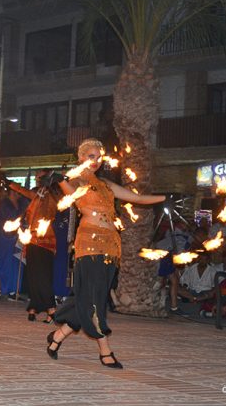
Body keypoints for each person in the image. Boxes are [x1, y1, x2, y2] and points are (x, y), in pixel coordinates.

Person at [46, 138, 166, 369]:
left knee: (90, 298)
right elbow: (71, 193)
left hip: (111, 247)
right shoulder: (76, 181)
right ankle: (105, 350)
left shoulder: (107, 185)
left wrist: (165, 198)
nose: (96, 161)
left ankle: (57, 337)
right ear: (81, 158)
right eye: (91, 156)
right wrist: (60, 180)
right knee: (94, 301)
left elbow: (138, 198)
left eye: (99, 157)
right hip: (89, 246)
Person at [8, 170, 61, 323]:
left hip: (45, 241)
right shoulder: (37, 195)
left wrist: (45, 192)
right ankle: (34, 307)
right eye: (37, 178)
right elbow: (25, 192)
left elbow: (49, 212)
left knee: (43, 276)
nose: (38, 180)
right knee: (33, 276)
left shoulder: (51, 197)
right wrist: (9, 183)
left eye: (41, 177)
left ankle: (51, 309)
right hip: (32, 240)